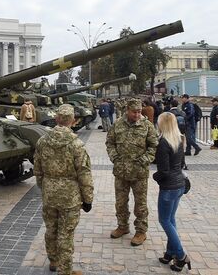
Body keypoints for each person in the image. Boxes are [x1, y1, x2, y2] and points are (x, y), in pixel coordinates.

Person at [34, 104, 94, 275]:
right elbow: (84, 174)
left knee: (51, 229)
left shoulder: (42, 141)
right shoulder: (76, 144)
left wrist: (45, 187)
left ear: (56, 119)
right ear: (73, 121)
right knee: (65, 234)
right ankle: (65, 270)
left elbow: (37, 170)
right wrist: (88, 198)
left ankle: (54, 261)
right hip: (70, 197)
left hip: (49, 194)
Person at [106, 98, 158, 246]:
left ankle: (141, 231)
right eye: (134, 112)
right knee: (120, 202)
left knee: (140, 204)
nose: (137, 115)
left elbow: (153, 146)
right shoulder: (117, 124)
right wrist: (114, 157)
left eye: (139, 111)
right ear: (127, 111)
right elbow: (110, 142)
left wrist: (146, 159)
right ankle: (122, 226)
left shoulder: (147, 125)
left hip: (139, 172)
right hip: (121, 171)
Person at [153, 112, 191, 272]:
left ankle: (181, 255)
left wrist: (155, 176)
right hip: (179, 185)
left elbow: (163, 171)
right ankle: (170, 253)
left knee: (165, 221)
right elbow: (181, 164)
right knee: (171, 219)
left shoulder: (163, 142)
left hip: (169, 187)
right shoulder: (180, 138)